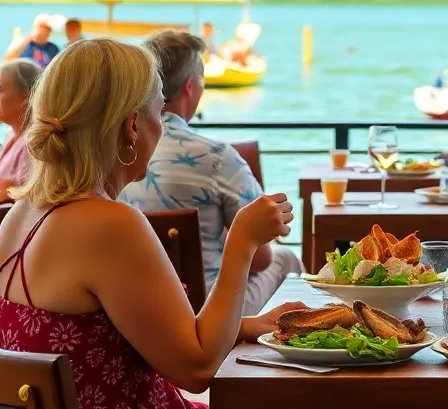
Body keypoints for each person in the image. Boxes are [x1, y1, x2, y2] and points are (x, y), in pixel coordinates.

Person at [0, 38, 303, 405]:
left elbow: (111, 334)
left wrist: (246, 327)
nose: (161, 124)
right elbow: (196, 370)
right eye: (160, 111)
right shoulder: (111, 226)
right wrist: (242, 241)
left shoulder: (20, 215)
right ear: (131, 126)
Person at [120, 31, 304, 315]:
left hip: (137, 310)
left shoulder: (114, 159)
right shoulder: (217, 158)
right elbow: (261, 259)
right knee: (285, 258)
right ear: (190, 87)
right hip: (209, 311)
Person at [0, 59, 39, 202]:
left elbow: (16, 196)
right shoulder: (13, 134)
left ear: (25, 97)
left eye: (0, 89)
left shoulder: (34, 144)